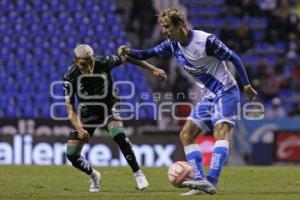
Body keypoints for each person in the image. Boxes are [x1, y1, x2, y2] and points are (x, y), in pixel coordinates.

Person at [119, 8, 257, 195]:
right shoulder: (172, 45)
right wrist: (129, 51)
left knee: (220, 131)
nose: (164, 31)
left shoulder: (206, 41)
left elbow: (234, 58)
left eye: (167, 26)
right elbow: (147, 53)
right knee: (186, 134)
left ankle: (212, 180)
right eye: (162, 27)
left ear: (180, 24)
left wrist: (246, 85)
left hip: (226, 91)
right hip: (208, 95)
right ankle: (200, 180)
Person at [63, 44, 166, 192]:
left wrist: (153, 69)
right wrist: (79, 128)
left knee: (118, 133)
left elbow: (127, 58)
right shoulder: (69, 77)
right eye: (84, 65)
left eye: (91, 62)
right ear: (75, 61)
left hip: (109, 104)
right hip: (88, 112)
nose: (89, 67)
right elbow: (71, 109)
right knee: (72, 155)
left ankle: (138, 173)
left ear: (94, 58)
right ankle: (94, 176)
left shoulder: (103, 61)